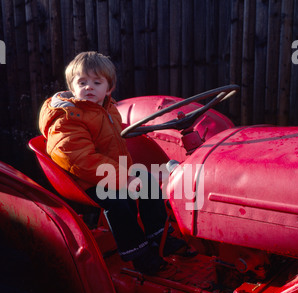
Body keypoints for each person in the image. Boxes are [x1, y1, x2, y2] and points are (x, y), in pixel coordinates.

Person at [39, 51, 188, 275]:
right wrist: (123, 178)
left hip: (112, 172)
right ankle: (138, 254)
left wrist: (127, 175)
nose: (89, 87)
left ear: (108, 88)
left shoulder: (107, 109)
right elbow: (79, 159)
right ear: (72, 86)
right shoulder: (68, 118)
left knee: (147, 181)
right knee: (118, 200)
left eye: (96, 82)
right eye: (82, 82)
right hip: (86, 179)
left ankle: (160, 237)